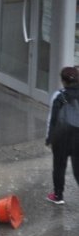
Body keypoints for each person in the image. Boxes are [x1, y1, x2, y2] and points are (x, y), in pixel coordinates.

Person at [45, 66, 79, 205]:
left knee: (59, 166)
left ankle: (58, 195)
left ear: (63, 81)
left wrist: (49, 138)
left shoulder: (59, 96)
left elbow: (52, 119)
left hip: (61, 136)